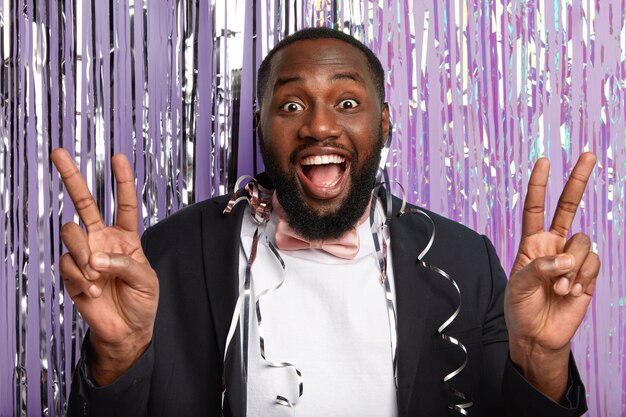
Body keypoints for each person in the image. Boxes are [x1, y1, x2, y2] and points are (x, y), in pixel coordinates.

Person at [52, 27, 599, 417]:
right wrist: (117, 357)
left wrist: (542, 363)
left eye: (346, 102)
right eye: (291, 106)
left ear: (383, 122)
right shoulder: (169, 251)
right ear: (262, 127)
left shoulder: (464, 259)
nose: (319, 126)